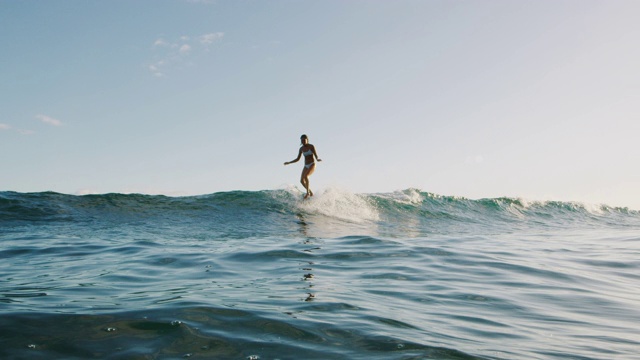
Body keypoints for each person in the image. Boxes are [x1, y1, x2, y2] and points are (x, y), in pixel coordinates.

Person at [284, 134, 322, 199]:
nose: (303, 142)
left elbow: (316, 155)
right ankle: (310, 192)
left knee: (306, 176)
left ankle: (307, 193)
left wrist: (317, 159)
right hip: (306, 165)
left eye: (304, 140)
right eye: (302, 141)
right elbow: (297, 159)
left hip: (312, 164)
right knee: (301, 180)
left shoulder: (311, 146)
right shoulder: (301, 149)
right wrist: (289, 162)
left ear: (307, 140)